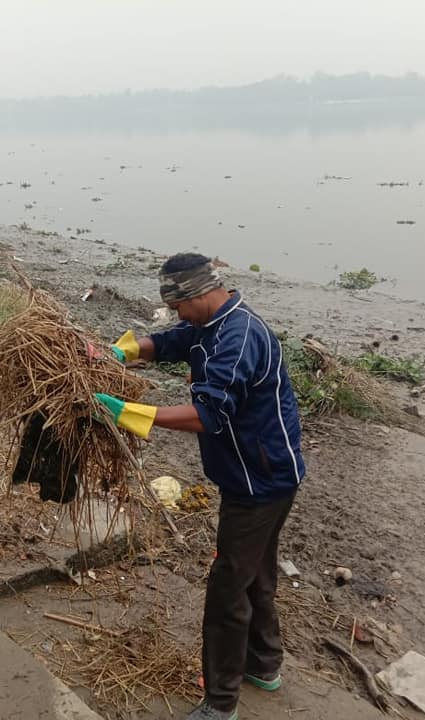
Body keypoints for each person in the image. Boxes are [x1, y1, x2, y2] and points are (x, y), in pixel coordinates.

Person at [95, 252, 305, 720]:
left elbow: (207, 415)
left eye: (177, 307)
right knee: (256, 574)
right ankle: (263, 665)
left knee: (228, 589)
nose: (177, 316)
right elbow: (173, 341)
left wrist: (130, 414)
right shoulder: (213, 324)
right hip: (264, 473)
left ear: (197, 294)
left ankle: (220, 703)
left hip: (258, 481)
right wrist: (125, 351)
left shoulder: (238, 338)